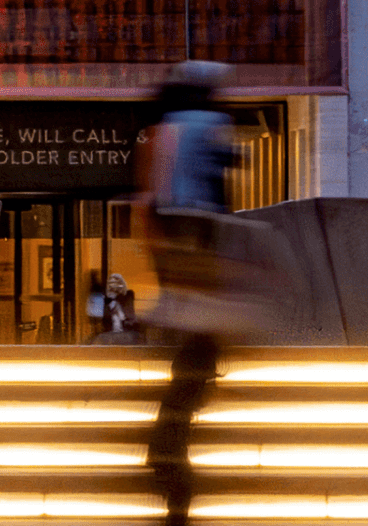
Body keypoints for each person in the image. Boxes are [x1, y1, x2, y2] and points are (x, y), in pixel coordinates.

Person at [138, 62, 241, 526]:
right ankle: (167, 453)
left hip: (175, 225)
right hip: (197, 226)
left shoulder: (163, 129)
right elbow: (222, 177)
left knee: (193, 335)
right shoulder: (212, 124)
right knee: (198, 341)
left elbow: (150, 198)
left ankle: (165, 450)